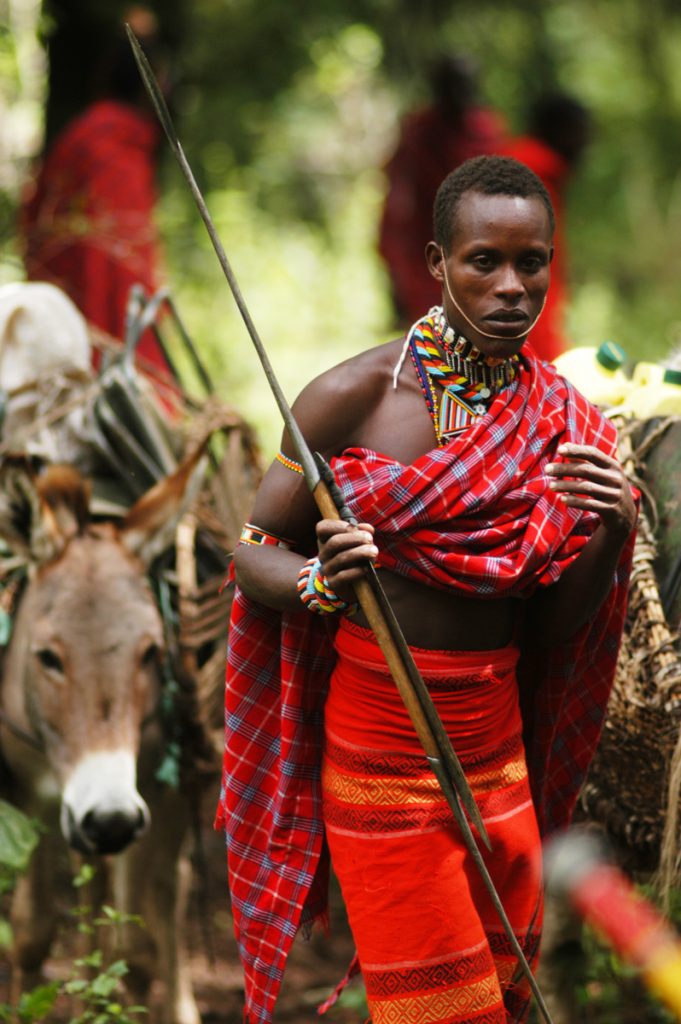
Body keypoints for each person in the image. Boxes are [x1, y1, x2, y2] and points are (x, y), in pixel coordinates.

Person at [215, 155, 637, 1024]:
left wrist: (611, 531)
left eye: (533, 263)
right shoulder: (348, 398)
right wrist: (315, 582)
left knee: (505, 999)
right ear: (438, 263)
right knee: (443, 1012)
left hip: (498, 755)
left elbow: (554, 634)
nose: (512, 286)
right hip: (381, 751)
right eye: (485, 260)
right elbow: (251, 552)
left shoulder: (561, 418)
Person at [18, 8, 172, 380]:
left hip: (65, 315)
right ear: (147, 84)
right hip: (97, 324)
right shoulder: (115, 146)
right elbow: (123, 263)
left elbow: (34, 219)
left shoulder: (85, 135)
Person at [378, 54, 507, 326]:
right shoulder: (419, 132)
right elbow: (399, 201)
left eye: (465, 86)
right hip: (426, 250)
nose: (459, 94)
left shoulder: (486, 130)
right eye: (451, 86)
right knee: (431, 337)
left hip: (479, 249)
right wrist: (395, 270)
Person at [500, 93, 592, 363]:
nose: (585, 144)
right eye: (580, 132)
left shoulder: (532, 169)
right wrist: (547, 364)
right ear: (558, 130)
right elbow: (524, 281)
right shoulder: (528, 177)